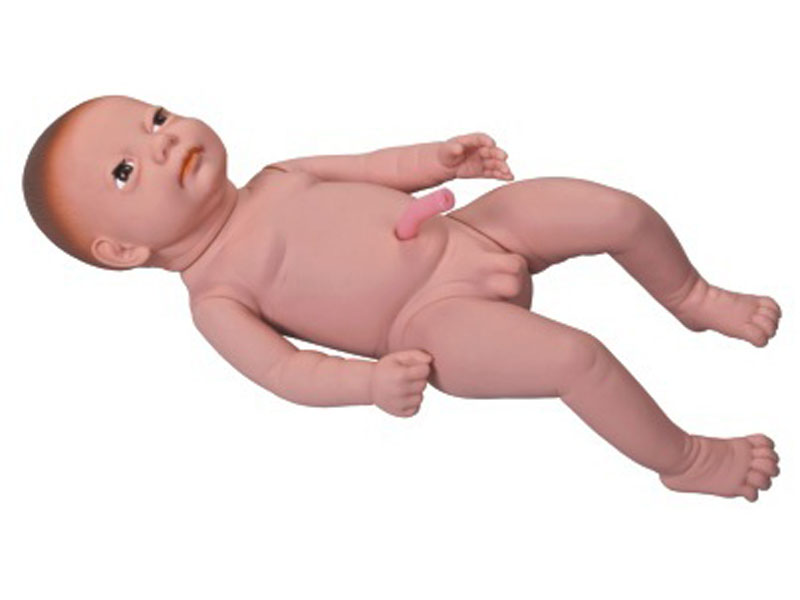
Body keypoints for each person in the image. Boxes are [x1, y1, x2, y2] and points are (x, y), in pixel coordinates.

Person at [23, 95, 781, 501]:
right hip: (435, 325)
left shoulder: (280, 175)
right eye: (126, 171)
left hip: (474, 231)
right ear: (121, 252)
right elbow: (286, 372)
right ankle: (684, 459)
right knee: (576, 359)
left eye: (155, 117)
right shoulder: (216, 296)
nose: (161, 139)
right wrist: (371, 383)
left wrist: (438, 157)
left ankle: (691, 296)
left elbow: (374, 167)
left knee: (612, 210)